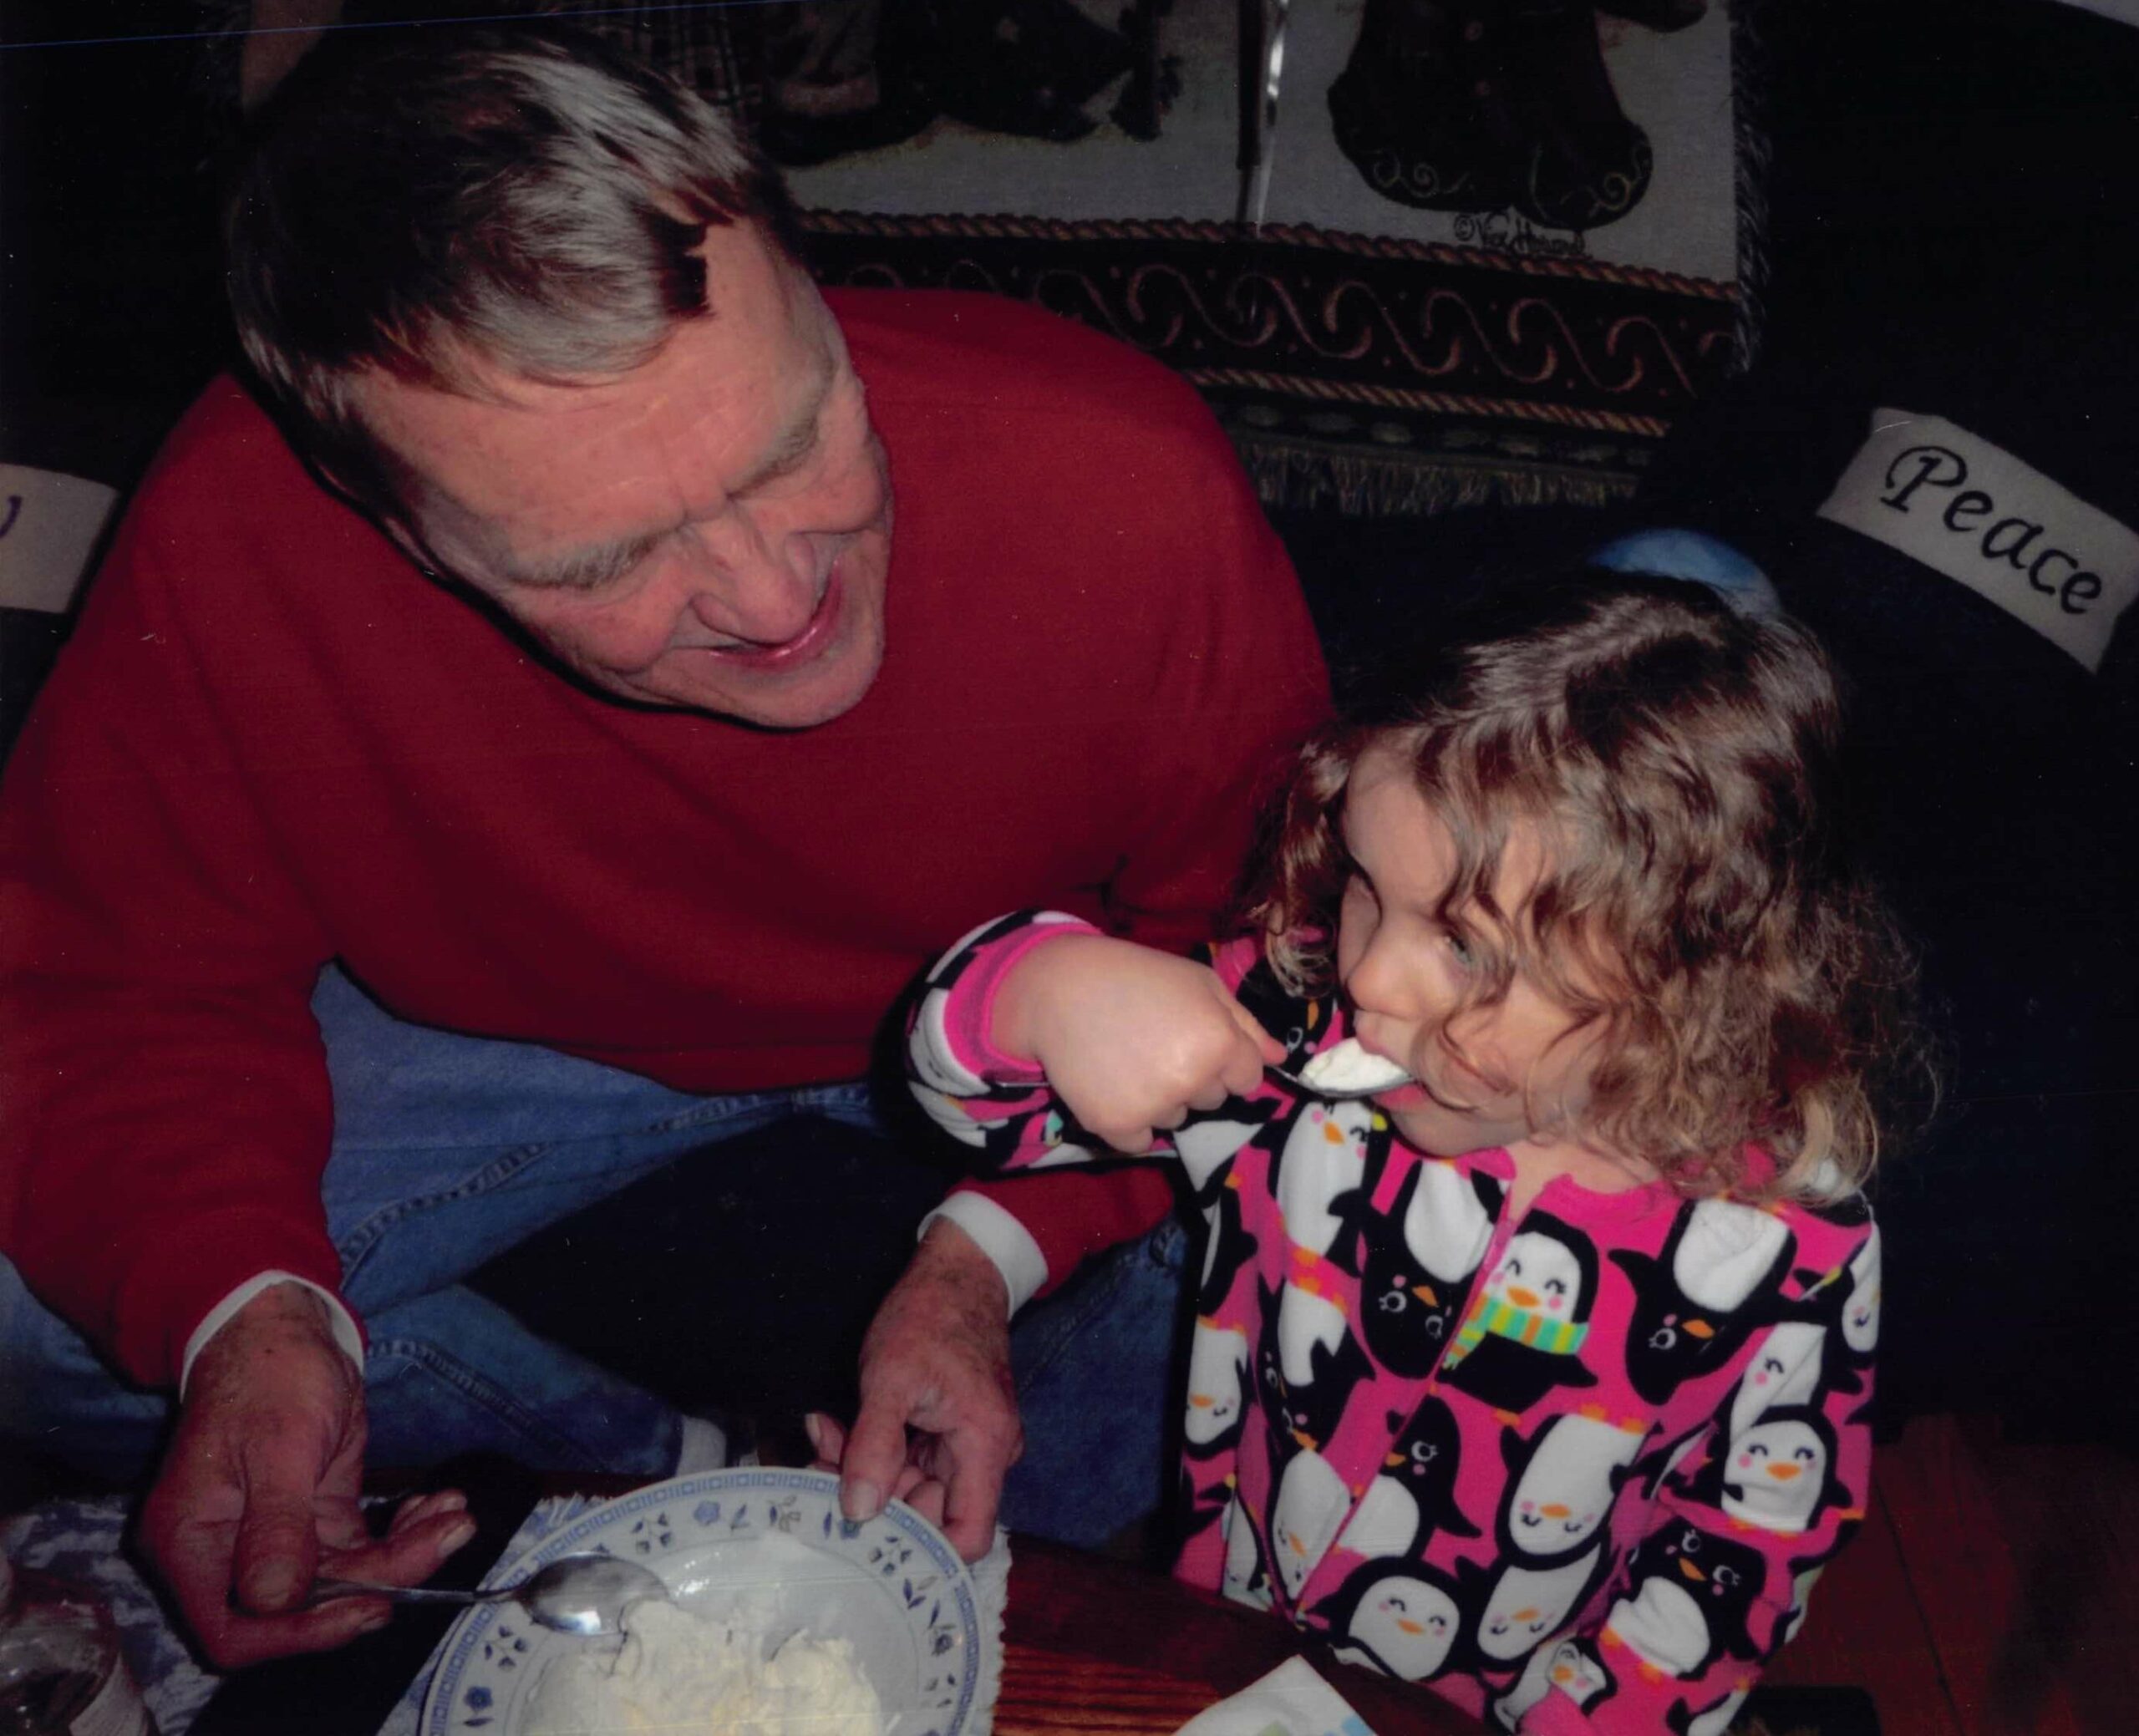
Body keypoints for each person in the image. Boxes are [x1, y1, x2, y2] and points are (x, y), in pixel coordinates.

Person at [0, 23, 1328, 1669]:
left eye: (794, 439)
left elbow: (1265, 957)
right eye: (605, 558)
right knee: (44, 1311)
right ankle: (658, 1485)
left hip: (1043, 1013)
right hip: (539, 1029)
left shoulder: (1124, 477)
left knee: (1327, 1278)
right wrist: (245, 1316)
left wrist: (992, 1250)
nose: (777, 600)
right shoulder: (233, 531)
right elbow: (116, 984)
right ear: (393, 525)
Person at [896, 576, 1910, 1729]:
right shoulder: (1294, 1039)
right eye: (1369, 889)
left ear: (1689, 992)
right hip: (1228, 1637)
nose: (1372, 976)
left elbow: (1739, 1560)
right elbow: (981, 1109)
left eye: (1468, 950)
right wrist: (1039, 993)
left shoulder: (1793, 1253)